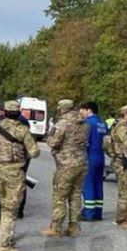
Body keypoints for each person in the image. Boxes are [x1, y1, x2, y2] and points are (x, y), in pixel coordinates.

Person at [0, 100, 40, 251]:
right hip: (14, 172)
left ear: (4, 112)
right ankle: (3, 244)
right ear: (18, 113)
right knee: (11, 209)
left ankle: (7, 237)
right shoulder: (22, 130)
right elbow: (34, 152)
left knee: (3, 205)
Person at [41, 99, 90, 238]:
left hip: (66, 164)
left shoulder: (62, 123)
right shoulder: (84, 123)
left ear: (61, 109)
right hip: (82, 162)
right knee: (75, 195)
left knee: (59, 196)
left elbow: (52, 142)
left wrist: (50, 135)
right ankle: (74, 227)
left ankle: (56, 227)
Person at [79, 101, 108, 221]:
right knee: (98, 185)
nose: (81, 113)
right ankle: (97, 212)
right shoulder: (102, 123)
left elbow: (83, 142)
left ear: (88, 110)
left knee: (88, 185)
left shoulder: (87, 123)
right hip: (100, 157)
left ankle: (89, 213)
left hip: (89, 156)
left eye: (82, 111)